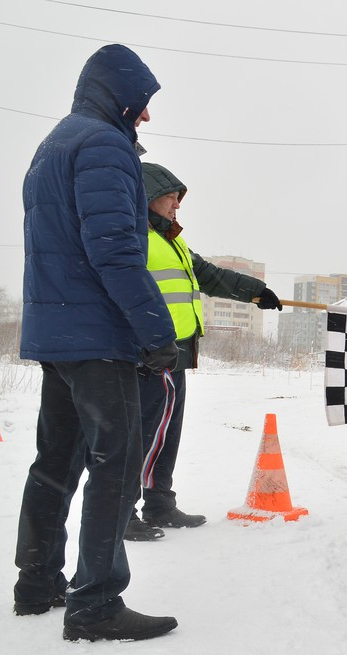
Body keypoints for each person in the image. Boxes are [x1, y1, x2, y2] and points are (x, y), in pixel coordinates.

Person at [14, 44, 180, 642]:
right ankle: (97, 603)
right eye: (143, 102)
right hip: (98, 336)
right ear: (119, 91)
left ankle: (37, 583)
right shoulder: (104, 147)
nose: (146, 116)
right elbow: (113, 252)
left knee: (55, 459)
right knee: (117, 463)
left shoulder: (53, 144)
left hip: (57, 336)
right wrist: (157, 332)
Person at [124, 162, 282, 541]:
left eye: (179, 199)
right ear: (147, 197)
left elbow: (209, 275)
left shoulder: (171, 240)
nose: (177, 205)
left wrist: (255, 291)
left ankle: (159, 502)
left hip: (174, 352)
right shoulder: (134, 236)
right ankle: (122, 512)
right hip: (147, 352)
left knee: (167, 433)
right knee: (141, 435)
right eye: (170, 198)